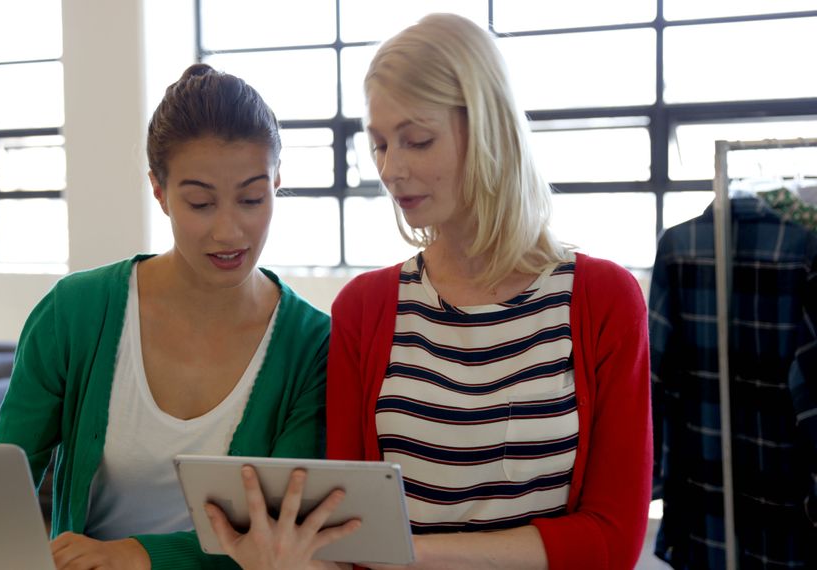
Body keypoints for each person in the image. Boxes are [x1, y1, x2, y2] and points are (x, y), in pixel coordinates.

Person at [204, 13, 652, 569]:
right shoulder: (366, 310)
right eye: (380, 145)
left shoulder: (602, 300)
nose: (392, 169)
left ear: (487, 129)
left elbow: (611, 541)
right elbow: (346, 538)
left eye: (417, 140)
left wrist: (408, 555)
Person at [0, 63, 333, 570]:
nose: (228, 231)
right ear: (158, 190)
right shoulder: (74, 312)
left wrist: (137, 555)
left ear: (277, 182)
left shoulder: (312, 345)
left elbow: (278, 533)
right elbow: (2, 481)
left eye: (251, 199)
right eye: (199, 202)